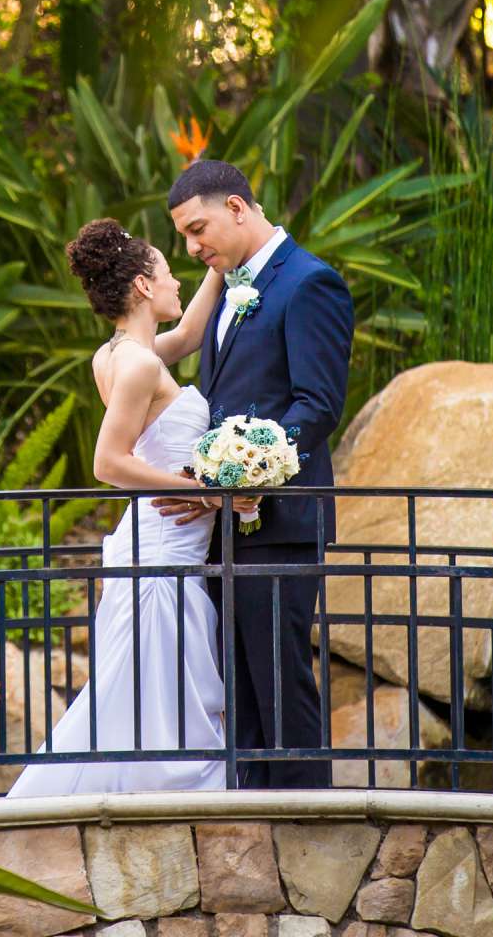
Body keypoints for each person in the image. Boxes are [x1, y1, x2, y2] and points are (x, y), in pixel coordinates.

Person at [8, 220, 230, 795]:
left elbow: (189, 332)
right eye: (167, 270)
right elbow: (108, 462)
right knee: (148, 694)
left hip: (158, 540)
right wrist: (195, 489)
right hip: (160, 544)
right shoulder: (135, 364)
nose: (176, 279)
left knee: (142, 692)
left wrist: (219, 260)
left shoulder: (123, 354)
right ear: (142, 284)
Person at [155, 159, 353, 788]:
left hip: (283, 522)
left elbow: (316, 405)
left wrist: (240, 474)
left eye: (198, 228)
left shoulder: (310, 283)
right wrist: (209, 479)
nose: (191, 247)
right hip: (226, 525)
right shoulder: (226, 288)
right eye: (184, 237)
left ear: (237, 207)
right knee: (238, 689)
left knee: (279, 682)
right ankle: (252, 819)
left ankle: (308, 831)